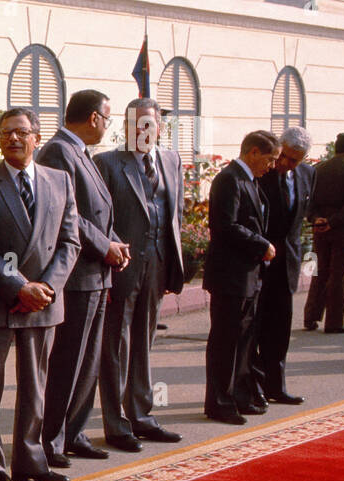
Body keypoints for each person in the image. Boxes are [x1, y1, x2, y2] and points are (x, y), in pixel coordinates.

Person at [0, 108, 80, 481]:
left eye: (21, 133)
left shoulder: (60, 180)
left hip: (44, 300)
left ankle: (31, 460)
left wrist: (46, 288)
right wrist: (18, 287)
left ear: (37, 136)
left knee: (35, 387)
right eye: (4, 134)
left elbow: (70, 241)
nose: (12, 139)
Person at [36, 89, 128, 467]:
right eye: (107, 119)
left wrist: (114, 242)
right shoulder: (59, 151)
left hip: (97, 273)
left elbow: (97, 211)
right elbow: (69, 215)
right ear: (93, 118)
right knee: (68, 360)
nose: (108, 127)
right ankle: (52, 440)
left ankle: (74, 432)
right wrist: (104, 245)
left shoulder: (79, 153)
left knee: (88, 359)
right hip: (76, 274)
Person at [96, 98, 185, 452]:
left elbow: (174, 211)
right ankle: (116, 424)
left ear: (160, 127)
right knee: (116, 344)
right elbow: (99, 217)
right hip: (123, 265)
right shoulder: (106, 163)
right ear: (126, 127)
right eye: (136, 125)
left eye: (149, 125)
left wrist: (173, 261)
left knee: (144, 345)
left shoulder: (170, 159)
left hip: (158, 262)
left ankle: (142, 416)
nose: (143, 131)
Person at [203, 130, 279, 424]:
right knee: (225, 341)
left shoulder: (250, 181)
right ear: (254, 152)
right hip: (230, 276)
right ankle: (219, 402)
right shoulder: (229, 179)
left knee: (244, 340)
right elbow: (225, 225)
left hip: (249, 274)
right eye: (269, 159)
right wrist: (261, 245)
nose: (271, 165)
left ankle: (239, 395)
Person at [252, 128, 316, 403]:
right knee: (253, 330)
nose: (286, 164)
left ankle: (276, 386)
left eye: (294, 160)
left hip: (287, 262)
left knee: (280, 330)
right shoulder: (261, 172)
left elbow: (300, 217)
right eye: (285, 157)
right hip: (258, 262)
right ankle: (252, 386)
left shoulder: (307, 175)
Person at [302, 132, 344, 334]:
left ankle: (311, 317)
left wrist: (316, 219)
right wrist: (333, 222)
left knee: (318, 272)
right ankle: (334, 321)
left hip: (320, 229)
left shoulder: (319, 169)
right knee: (340, 276)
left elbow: (310, 202)